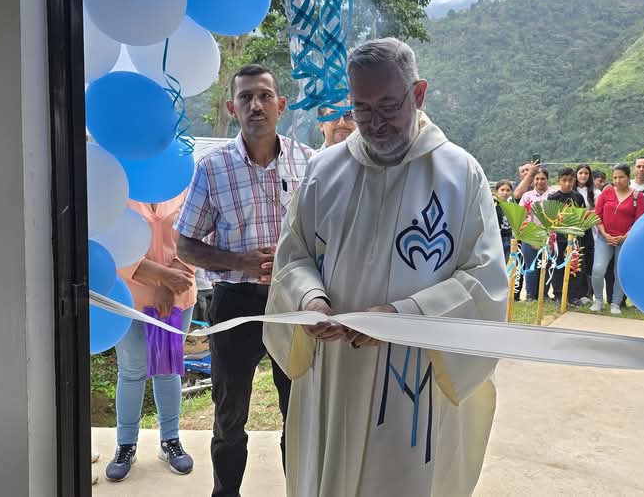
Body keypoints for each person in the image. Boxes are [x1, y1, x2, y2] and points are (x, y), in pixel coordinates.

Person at [263, 38, 505, 497]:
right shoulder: (324, 171)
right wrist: (309, 297)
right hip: (334, 371)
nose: (375, 123)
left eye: (389, 106)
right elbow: (293, 255)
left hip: (413, 378)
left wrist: (406, 316)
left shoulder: (460, 175)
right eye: (362, 108)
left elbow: (484, 279)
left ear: (418, 94)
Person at [174, 64, 311, 497]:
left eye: (265, 95)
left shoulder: (308, 162)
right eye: (246, 97)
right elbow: (185, 245)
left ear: (281, 105)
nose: (256, 104)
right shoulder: (213, 168)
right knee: (230, 413)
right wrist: (242, 263)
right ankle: (225, 492)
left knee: (300, 410)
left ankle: (302, 490)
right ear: (232, 108)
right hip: (234, 303)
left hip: (294, 304)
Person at [105, 192, 197, 482]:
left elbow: (196, 235)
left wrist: (171, 282)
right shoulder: (120, 187)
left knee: (166, 368)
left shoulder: (182, 185)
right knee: (132, 371)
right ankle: (126, 445)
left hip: (175, 296)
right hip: (130, 295)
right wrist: (159, 278)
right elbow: (113, 245)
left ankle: (170, 441)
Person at [592, 164, 644, 314]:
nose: (617, 180)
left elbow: (639, 221)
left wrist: (625, 237)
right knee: (598, 269)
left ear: (628, 177)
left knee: (619, 272)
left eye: (621, 177)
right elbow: (597, 216)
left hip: (625, 241)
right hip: (605, 238)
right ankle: (598, 300)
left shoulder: (638, 196)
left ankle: (615, 303)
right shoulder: (606, 192)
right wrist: (605, 234)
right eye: (615, 177)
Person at [547, 168, 589, 305]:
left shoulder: (578, 197)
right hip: (558, 239)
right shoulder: (553, 198)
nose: (567, 183)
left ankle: (572, 296)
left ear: (574, 180)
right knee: (558, 266)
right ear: (559, 180)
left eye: (570, 180)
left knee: (575, 267)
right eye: (564, 180)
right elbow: (549, 219)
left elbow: (582, 216)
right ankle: (558, 295)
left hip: (575, 239)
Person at [518, 168, 553, 300]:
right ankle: (530, 295)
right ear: (533, 180)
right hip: (530, 235)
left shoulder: (554, 194)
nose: (539, 181)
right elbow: (521, 217)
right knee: (531, 266)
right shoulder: (527, 196)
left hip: (549, 236)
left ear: (547, 180)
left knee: (546, 265)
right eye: (537, 179)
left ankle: (543, 294)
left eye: (542, 178)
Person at [494, 179, 521, 302]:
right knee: (496, 266)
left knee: (509, 265)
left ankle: (507, 292)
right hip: (496, 239)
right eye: (502, 190)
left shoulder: (512, 206)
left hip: (509, 238)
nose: (505, 193)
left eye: (508, 190)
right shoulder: (492, 205)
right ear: (496, 191)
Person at [573, 164, 597, 303]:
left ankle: (589, 293)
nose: (583, 176)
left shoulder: (595, 192)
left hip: (592, 232)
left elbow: (598, 211)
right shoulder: (571, 190)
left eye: (586, 173)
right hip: (574, 231)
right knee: (577, 262)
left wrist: (583, 214)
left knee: (589, 263)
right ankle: (576, 293)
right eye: (580, 173)